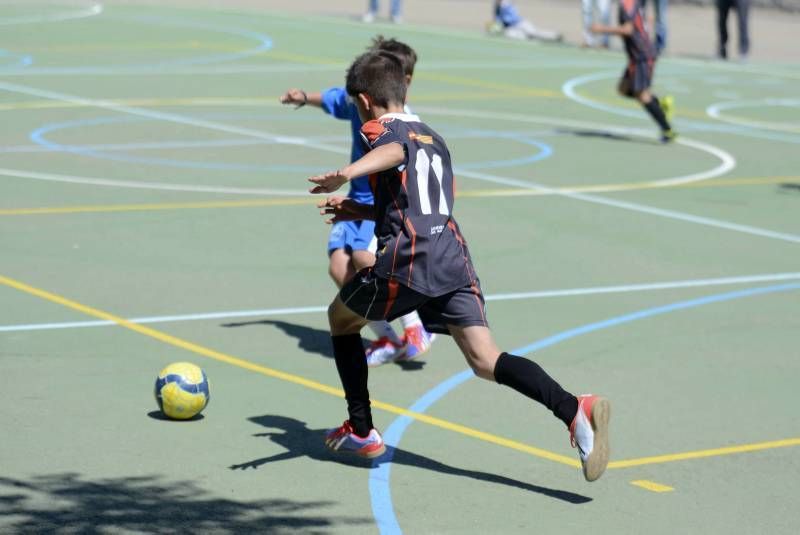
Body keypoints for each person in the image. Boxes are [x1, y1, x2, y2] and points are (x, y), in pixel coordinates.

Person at [308, 50, 612, 482]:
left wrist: (346, 171)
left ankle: (361, 429)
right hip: (452, 255)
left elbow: (395, 151)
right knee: (485, 360)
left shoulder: (381, 130)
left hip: (410, 262)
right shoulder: (433, 134)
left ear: (362, 101)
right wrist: (358, 210)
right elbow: (422, 201)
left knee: (340, 318)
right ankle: (572, 409)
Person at [279, 37, 435, 367]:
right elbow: (334, 98)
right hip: (356, 199)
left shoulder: (405, 124)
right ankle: (388, 338)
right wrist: (304, 97)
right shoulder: (359, 103)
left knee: (366, 259)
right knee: (339, 267)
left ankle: (414, 324)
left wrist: (349, 172)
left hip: (379, 203)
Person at [591, 0, 677, 142]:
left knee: (642, 95)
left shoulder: (628, 5)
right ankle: (658, 104)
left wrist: (601, 29)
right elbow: (645, 20)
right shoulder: (632, 4)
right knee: (623, 89)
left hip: (642, 55)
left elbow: (628, 29)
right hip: (636, 56)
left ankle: (667, 130)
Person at [488, 0, 563, 42]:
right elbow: (497, 21)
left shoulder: (506, 3)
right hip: (510, 28)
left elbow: (511, 17)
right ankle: (532, 38)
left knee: (534, 33)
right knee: (511, 35)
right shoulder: (496, 8)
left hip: (520, 23)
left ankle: (554, 36)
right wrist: (495, 26)